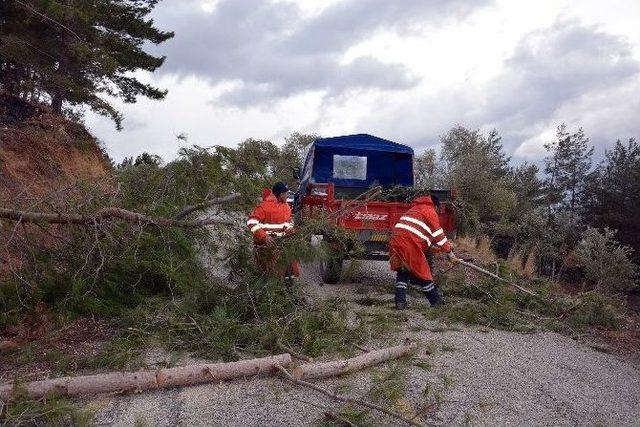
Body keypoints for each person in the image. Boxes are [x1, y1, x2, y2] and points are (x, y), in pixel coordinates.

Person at [389, 195, 458, 309]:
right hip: (409, 244)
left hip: (396, 242)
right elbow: (438, 235)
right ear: (435, 206)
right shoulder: (429, 211)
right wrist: (449, 252)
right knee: (423, 274)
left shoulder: (415, 209)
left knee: (403, 272)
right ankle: (435, 301)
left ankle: (400, 302)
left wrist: (435, 249)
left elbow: (419, 235)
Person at [246, 182, 300, 282]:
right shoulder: (263, 207)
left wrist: (291, 231)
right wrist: (264, 237)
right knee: (269, 274)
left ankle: (287, 288)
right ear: (280, 195)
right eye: (286, 193)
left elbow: (287, 224)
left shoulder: (286, 207)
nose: (287, 195)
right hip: (265, 247)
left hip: (280, 244)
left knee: (289, 269)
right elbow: (251, 222)